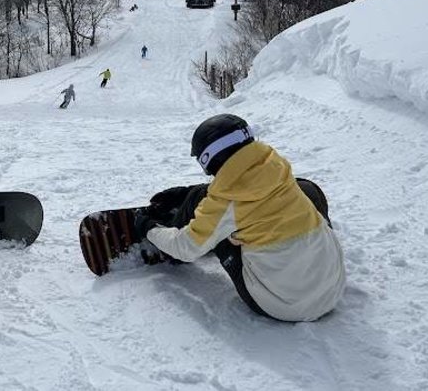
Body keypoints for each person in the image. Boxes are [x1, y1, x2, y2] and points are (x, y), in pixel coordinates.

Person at [133, 114, 345, 322]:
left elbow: (185, 247)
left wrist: (148, 228)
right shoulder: (279, 170)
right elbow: (245, 186)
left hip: (282, 306)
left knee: (216, 231)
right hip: (332, 290)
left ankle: (172, 241)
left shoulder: (226, 205)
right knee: (307, 190)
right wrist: (188, 192)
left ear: (209, 158)